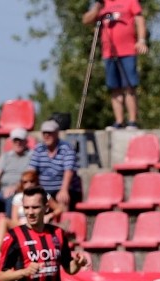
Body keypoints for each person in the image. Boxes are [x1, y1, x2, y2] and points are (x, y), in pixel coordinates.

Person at [82, 0, 147, 130]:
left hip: (127, 50)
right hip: (109, 52)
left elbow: (139, 19)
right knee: (114, 87)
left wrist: (141, 40)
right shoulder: (102, 4)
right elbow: (86, 20)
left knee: (129, 86)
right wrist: (96, 9)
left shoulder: (130, 2)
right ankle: (119, 121)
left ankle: (132, 121)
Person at [27, 119, 82, 215]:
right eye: (44, 133)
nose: (46, 135)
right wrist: (28, 184)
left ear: (57, 134)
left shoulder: (66, 148)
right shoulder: (38, 149)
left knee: (63, 199)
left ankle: (63, 226)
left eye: (49, 133)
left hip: (63, 188)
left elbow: (68, 171)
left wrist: (64, 190)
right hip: (44, 189)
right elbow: (32, 170)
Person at [0, 169, 48, 252]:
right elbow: (14, 219)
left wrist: (50, 215)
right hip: (21, 226)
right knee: (4, 224)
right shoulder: (18, 197)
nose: (28, 184)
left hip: (36, 224)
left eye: (31, 181)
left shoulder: (42, 195)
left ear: (36, 181)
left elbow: (59, 208)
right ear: (22, 184)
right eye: (25, 182)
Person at [0, 127, 32, 215]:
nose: (18, 143)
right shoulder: (6, 156)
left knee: (11, 198)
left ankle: (8, 224)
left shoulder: (31, 156)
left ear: (26, 141)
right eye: (15, 140)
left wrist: (16, 187)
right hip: (2, 190)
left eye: (20, 140)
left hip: (20, 190)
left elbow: (30, 176)